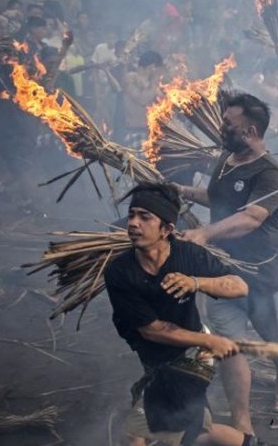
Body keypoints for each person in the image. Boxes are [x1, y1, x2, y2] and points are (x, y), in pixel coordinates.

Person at [104, 182, 258, 446]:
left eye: (144, 217)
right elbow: (151, 329)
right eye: (131, 215)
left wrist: (196, 282)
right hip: (165, 357)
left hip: (192, 358)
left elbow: (240, 286)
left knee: (135, 432)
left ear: (167, 230)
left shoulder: (188, 254)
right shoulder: (120, 272)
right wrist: (210, 341)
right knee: (195, 431)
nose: (133, 223)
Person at [179, 93, 278, 431]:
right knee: (228, 345)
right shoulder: (226, 160)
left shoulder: (270, 172)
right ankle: (242, 423)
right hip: (222, 271)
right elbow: (219, 200)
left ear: (251, 130)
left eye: (228, 124)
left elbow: (251, 218)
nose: (221, 128)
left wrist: (206, 234)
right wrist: (182, 191)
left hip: (262, 273)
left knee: (276, 339)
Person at [122, 50, 163, 147]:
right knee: (141, 162)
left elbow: (163, 102)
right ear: (152, 67)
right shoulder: (131, 78)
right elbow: (142, 100)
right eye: (157, 69)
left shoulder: (151, 84)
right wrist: (154, 84)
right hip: (136, 133)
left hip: (152, 133)